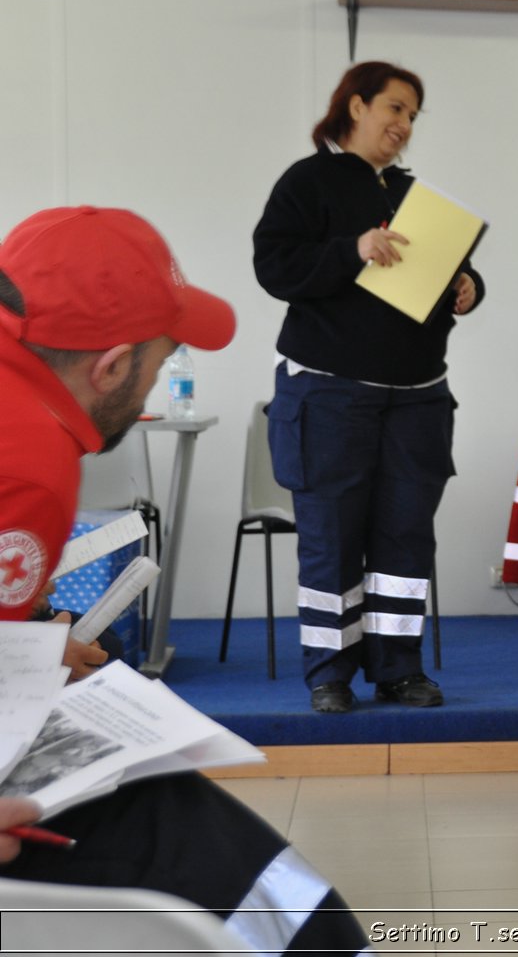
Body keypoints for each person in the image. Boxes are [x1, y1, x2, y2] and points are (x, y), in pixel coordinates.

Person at [0, 205, 371, 955]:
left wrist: (26, 637)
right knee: (209, 850)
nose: (147, 398)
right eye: (159, 364)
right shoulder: (29, 454)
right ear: (109, 365)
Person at [254, 60, 485, 714]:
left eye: (413, 114)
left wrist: (469, 288)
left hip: (419, 395)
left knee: (406, 536)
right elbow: (274, 266)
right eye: (395, 107)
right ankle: (329, 673)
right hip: (330, 394)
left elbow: (447, 271)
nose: (404, 124)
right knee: (330, 535)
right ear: (355, 107)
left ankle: (399, 669)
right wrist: (352, 249)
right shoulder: (307, 182)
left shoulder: (412, 195)